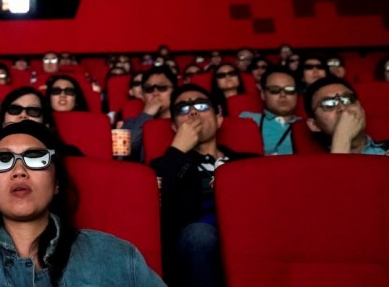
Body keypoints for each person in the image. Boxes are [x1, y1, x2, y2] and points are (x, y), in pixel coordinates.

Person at [0, 121, 164, 286]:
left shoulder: (116, 257)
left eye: (35, 158)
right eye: (3, 159)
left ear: (56, 182)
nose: (19, 171)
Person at [149, 85, 259, 287]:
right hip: (197, 240)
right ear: (174, 126)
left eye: (201, 105)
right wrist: (177, 150)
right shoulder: (163, 165)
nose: (192, 112)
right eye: (182, 108)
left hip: (251, 234)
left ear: (219, 118)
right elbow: (153, 209)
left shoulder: (250, 162)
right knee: (199, 235)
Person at [303, 77, 388, 155]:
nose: (343, 108)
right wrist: (342, 138)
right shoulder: (312, 165)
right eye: (329, 104)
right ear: (313, 125)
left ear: (362, 110)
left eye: (348, 99)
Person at [119, 67, 177, 163]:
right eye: (149, 89)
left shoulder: (184, 120)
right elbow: (120, 153)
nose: (155, 93)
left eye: (162, 88)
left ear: (174, 91)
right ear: (143, 95)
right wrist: (146, 115)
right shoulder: (129, 123)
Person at [238, 68, 302, 155]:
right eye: (274, 90)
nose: (283, 95)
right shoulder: (248, 119)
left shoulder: (307, 125)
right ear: (263, 95)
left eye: (289, 89)